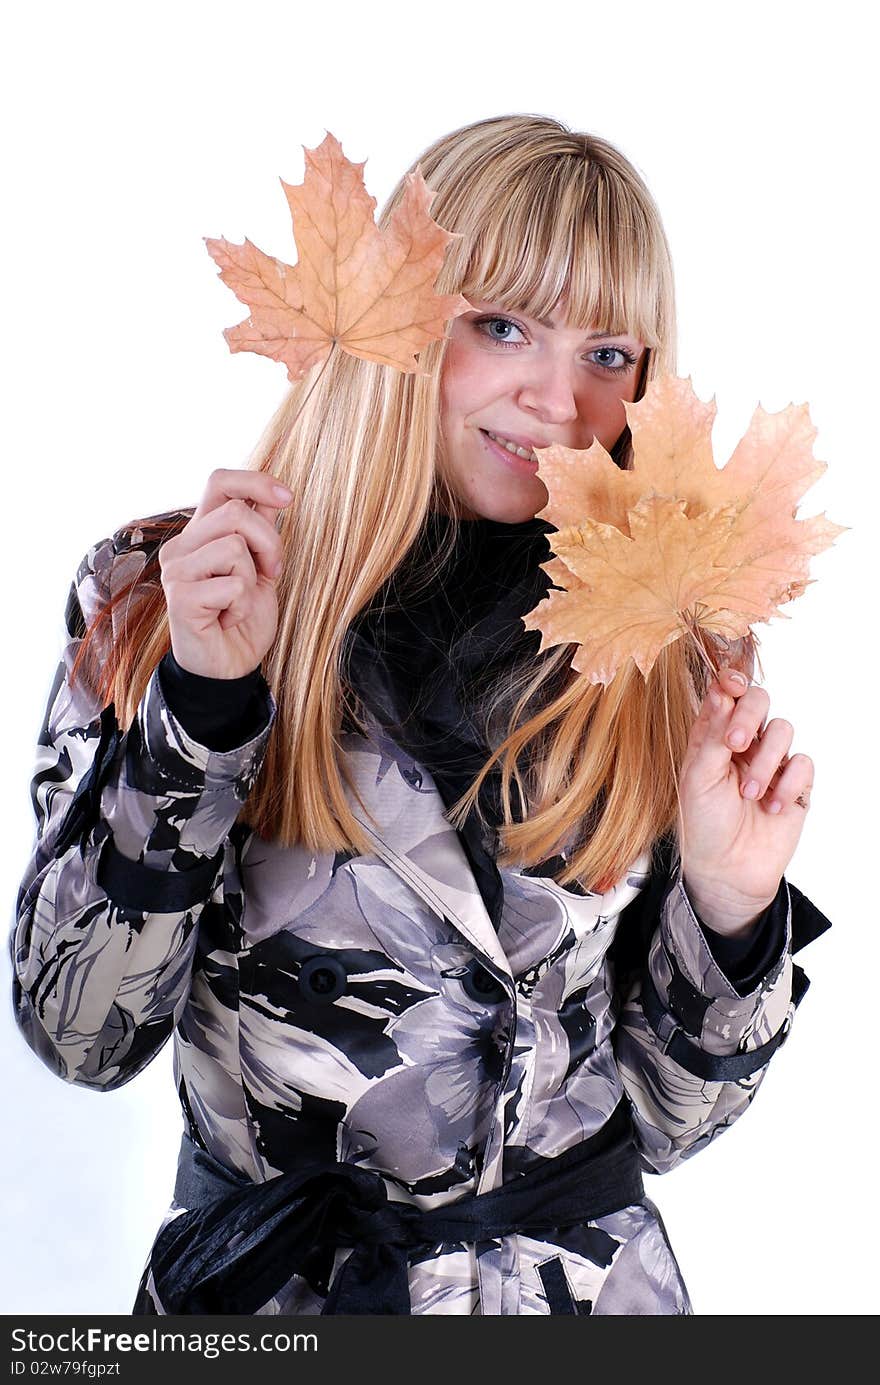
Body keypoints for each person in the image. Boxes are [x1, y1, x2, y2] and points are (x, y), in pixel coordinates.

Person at [10, 113, 830, 1316]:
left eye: (610, 353)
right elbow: (81, 1036)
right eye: (503, 325)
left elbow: (662, 1123)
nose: (558, 398)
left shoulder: (660, 643)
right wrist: (201, 711)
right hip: (284, 1301)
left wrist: (729, 905)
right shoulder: (175, 593)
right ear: (400, 318)